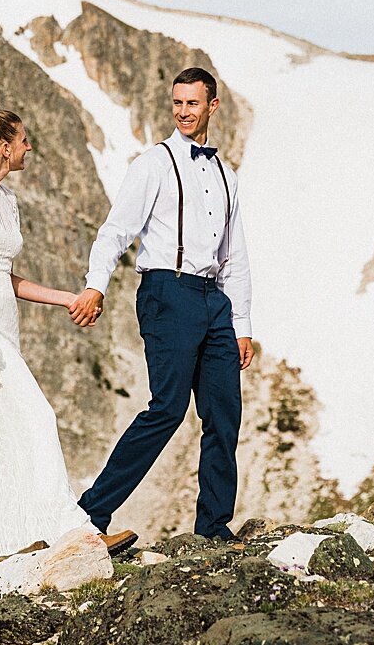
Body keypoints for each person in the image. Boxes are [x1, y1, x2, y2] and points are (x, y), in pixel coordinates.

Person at [0, 99, 134, 592]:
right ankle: (74, 533)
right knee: (37, 415)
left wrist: (66, 299)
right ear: (4, 144)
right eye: (24, 140)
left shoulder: (7, 200)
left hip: (4, 320)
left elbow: (7, 277)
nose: (30, 147)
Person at [70, 67, 255, 541]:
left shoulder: (227, 176)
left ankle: (213, 528)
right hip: (166, 292)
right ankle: (90, 514)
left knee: (223, 414)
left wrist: (242, 324)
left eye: (193, 103)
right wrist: (96, 285)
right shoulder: (152, 164)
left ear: (212, 106)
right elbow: (115, 231)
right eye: (177, 103)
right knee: (167, 408)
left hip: (214, 299)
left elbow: (234, 256)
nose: (183, 112)